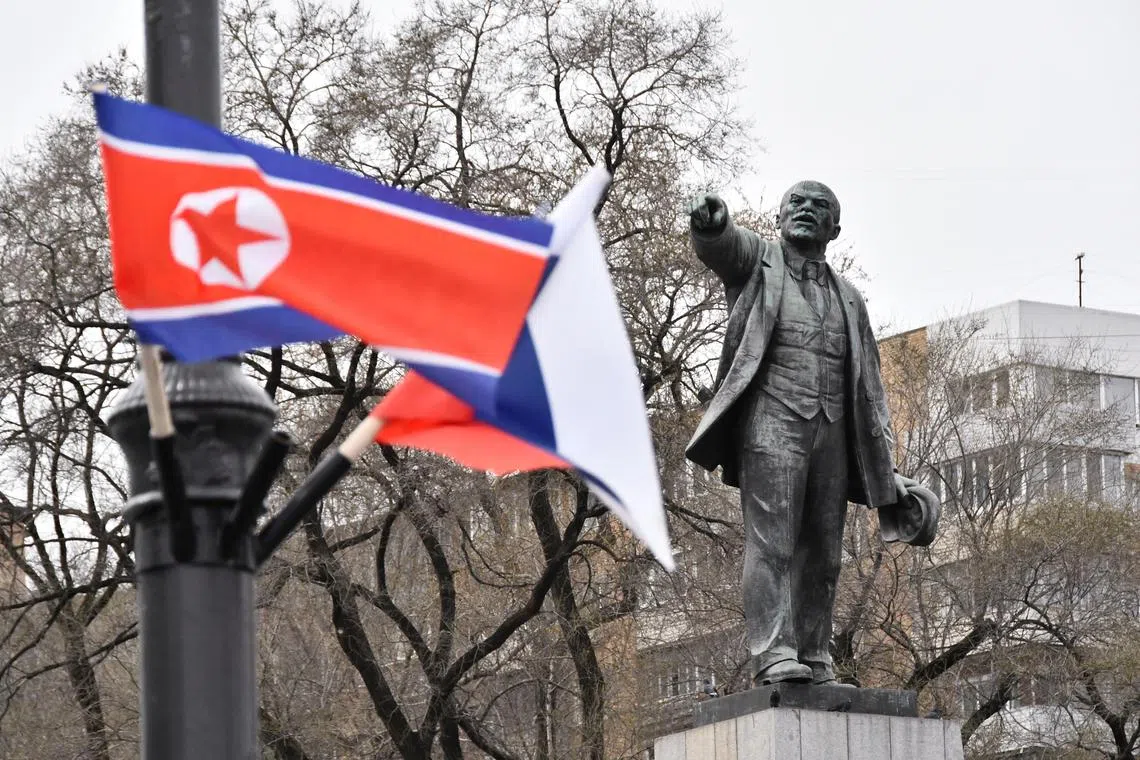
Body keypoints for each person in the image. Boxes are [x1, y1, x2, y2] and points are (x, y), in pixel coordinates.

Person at [685, 181, 929, 687]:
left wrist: (889, 471)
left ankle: (815, 655)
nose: (806, 210)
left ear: (834, 228)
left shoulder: (851, 300)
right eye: (796, 202)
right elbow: (724, 246)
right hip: (772, 424)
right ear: (779, 217)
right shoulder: (760, 262)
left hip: (834, 435)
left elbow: (871, 393)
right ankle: (774, 653)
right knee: (771, 542)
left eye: (819, 206)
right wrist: (712, 224)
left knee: (824, 552)